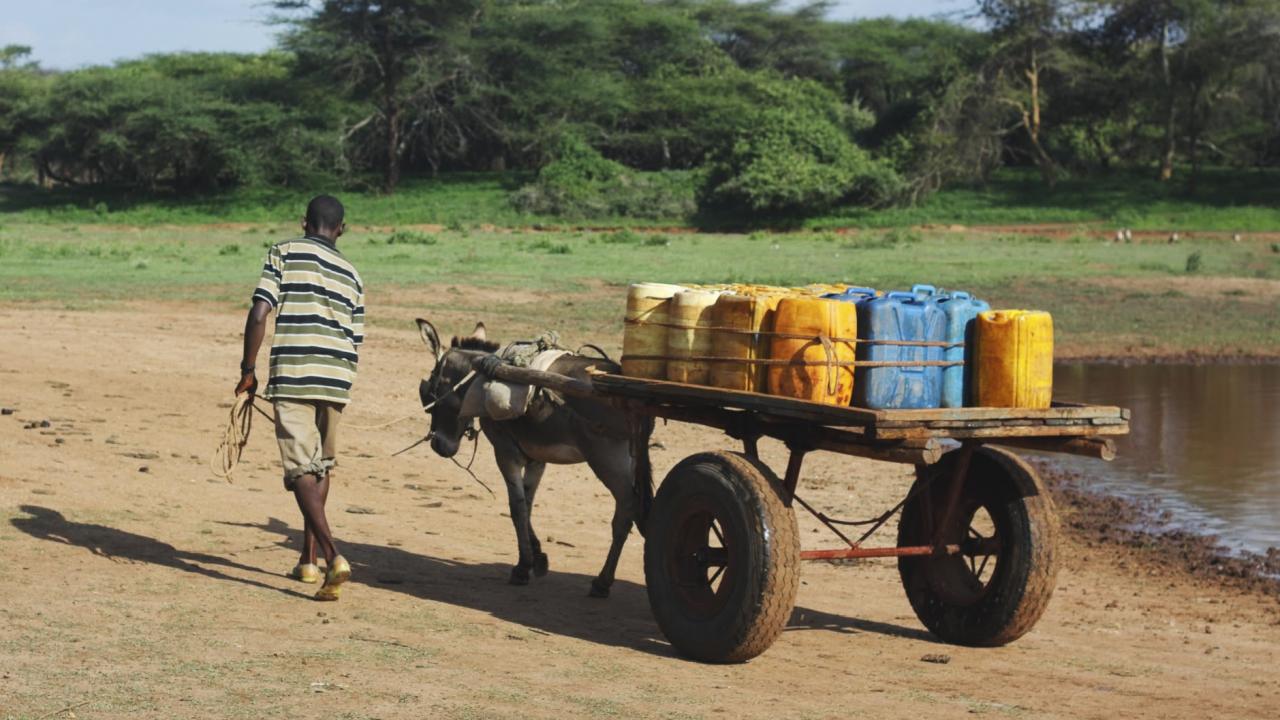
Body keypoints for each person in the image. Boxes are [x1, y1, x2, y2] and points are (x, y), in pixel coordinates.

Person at [235, 195, 365, 601]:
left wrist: (247, 370)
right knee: (320, 467)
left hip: (294, 374)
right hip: (338, 378)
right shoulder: (353, 274)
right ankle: (307, 561)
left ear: (305, 222)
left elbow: (260, 313)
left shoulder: (284, 252)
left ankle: (333, 555)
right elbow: (355, 337)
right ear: (341, 229)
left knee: (299, 471)